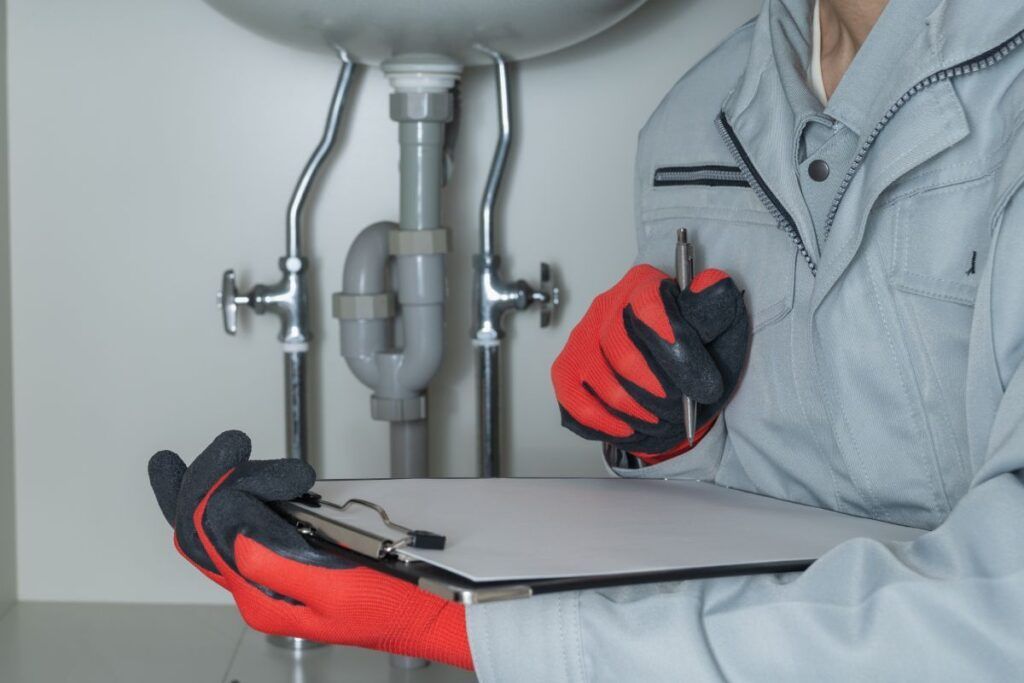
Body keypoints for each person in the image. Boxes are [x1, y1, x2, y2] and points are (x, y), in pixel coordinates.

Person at [149, 0, 1024, 678]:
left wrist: (462, 628)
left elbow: (1003, 617)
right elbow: (752, 518)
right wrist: (671, 437)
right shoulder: (697, 115)